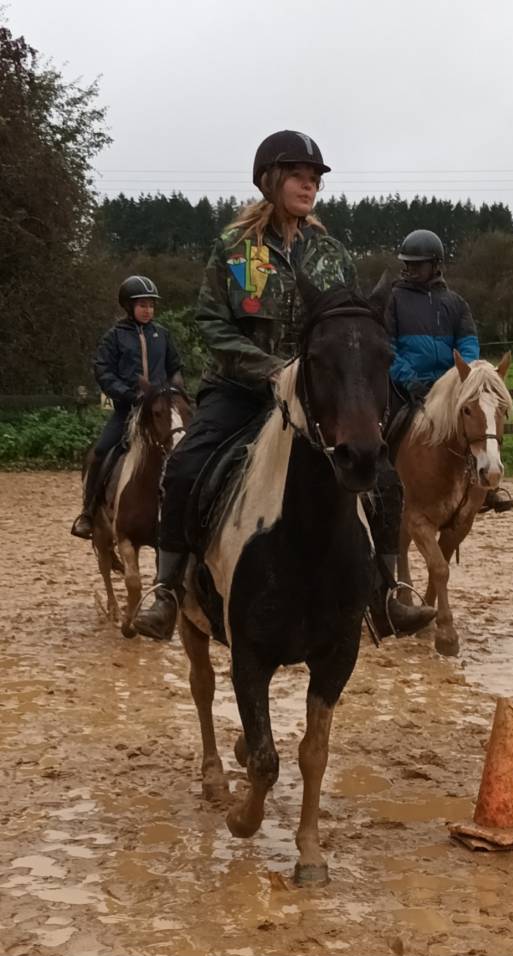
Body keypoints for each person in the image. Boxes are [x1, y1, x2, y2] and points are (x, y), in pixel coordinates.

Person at [133, 130, 436, 641]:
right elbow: (212, 322)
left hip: (315, 397)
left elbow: (347, 327)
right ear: (270, 180)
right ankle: (166, 589)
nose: (309, 185)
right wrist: (269, 367)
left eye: (314, 178)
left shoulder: (332, 254)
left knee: (382, 473)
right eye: (298, 175)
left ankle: (388, 592)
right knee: (184, 465)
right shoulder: (233, 249)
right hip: (240, 389)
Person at [386, 228, 513, 513]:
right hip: (406, 386)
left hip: (450, 388)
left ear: (435, 264)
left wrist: (459, 378)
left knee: (481, 423)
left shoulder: (456, 303)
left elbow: (468, 344)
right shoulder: (393, 300)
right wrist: (409, 380)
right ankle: (378, 483)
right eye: (408, 264)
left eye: (417, 264)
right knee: (385, 428)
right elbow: (388, 347)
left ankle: (487, 489)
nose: (410, 269)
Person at [70, 276, 183, 539]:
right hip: (128, 409)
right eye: (142, 305)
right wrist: (128, 394)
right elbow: (104, 371)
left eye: (151, 305)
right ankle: (88, 512)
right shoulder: (115, 337)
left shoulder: (162, 335)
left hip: (160, 410)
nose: (148, 310)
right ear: (129, 307)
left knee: (184, 446)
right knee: (100, 452)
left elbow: (175, 367)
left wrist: (175, 390)